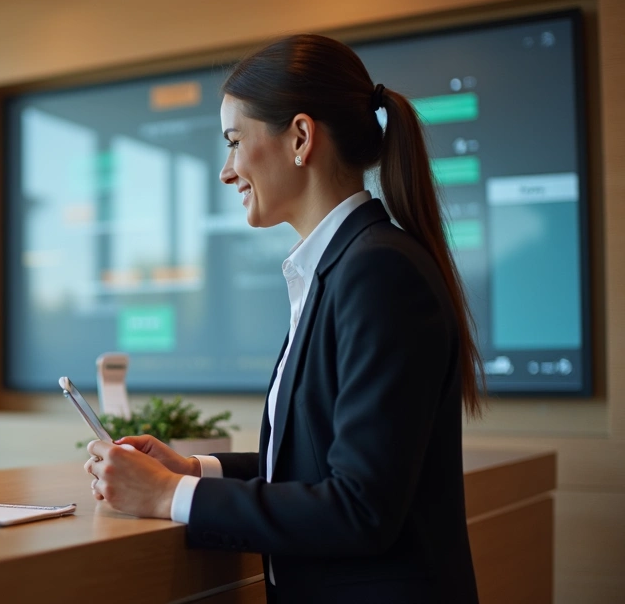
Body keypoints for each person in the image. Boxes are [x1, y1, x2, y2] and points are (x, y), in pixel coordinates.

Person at [84, 35, 483, 603]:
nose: (226, 172)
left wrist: (168, 495)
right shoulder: (344, 266)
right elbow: (320, 464)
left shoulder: (377, 273)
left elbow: (360, 507)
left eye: (233, 141)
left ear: (300, 137)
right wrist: (194, 470)